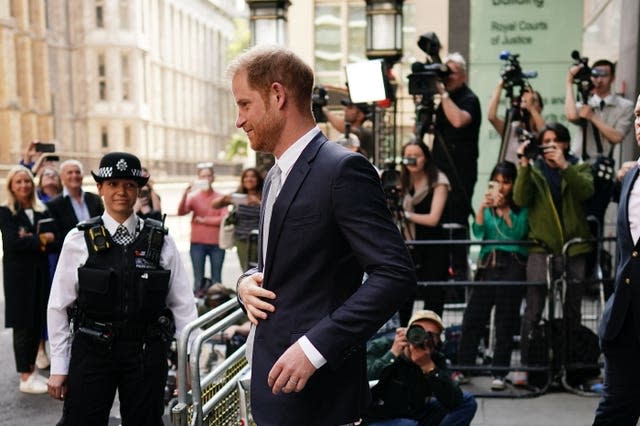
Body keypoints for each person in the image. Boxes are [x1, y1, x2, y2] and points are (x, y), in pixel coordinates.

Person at [230, 45, 416, 426]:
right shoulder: (273, 179)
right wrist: (245, 282)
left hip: (319, 396)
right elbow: (279, 264)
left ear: (277, 95)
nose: (239, 120)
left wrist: (316, 349)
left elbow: (395, 274)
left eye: (245, 104)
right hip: (274, 389)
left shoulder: (343, 169)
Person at [46, 152, 198, 425]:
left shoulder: (160, 241)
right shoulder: (78, 239)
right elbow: (59, 306)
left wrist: (188, 359)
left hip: (145, 352)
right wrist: (59, 366)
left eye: (129, 185)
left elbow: (183, 305)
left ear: (139, 190)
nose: (121, 192)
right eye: (113, 184)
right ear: (100, 188)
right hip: (91, 351)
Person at [513, 122, 594, 386]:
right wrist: (523, 165)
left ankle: (572, 366)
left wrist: (565, 167)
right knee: (533, 309)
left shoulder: (578, 166)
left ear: (565, 144)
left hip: (574, 247)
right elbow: (520, 199)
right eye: (544, 141)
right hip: (541, 248)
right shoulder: (534, 170)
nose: (549, 146)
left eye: (554, 141)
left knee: (573, 309)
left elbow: (587, 192)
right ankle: (527, 366)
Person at [457, 161, 528, 390]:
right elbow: (478, 232)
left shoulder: (521, 207)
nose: (501, 186)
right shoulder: (488, 206)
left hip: (512, 264)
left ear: (513, 184)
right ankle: (464, 367)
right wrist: (482, 207)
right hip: (488, 264)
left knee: (505, 321)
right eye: (497, 181)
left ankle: (499, 372)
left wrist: (505, 210)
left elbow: (517, 233)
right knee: (473, 316)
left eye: (506, 182)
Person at [592, 94, 640, 425]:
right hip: (625, 327)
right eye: (637, 115)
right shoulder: (630, 177)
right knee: (613, 414)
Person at [0, 166, 58, 394]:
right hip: (19, 278)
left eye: (27, 181)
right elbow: (13, 243)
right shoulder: (5, 212)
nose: (23, 185)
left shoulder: (41, 209)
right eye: (18, 182)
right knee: (22, 325)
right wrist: (41, 239)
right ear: (11, 187)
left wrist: (32, 239)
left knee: (36, 322)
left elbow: (54, 242)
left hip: (39, 273)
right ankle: (25, 376)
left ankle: (32, 370)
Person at [364, 310, 477, 425]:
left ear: (438, 340)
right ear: (408, 332)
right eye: (419, 332)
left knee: (467, 401)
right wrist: (392, 354)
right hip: (379, 418)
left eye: (432, 335)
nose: (424, 339)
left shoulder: (434, 357)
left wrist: (428, 367)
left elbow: (454, 400)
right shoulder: (384, 346)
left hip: (415, 414)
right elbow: (364, 381)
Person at [564, 59, 634, 231]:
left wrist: (593, 117)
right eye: (595, 74)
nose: (598, 79)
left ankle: (595, 256)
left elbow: (616, 136)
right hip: (578, 165)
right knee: (573, 216)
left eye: (604, 74)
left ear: (612, 77)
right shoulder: (586, 101)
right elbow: (572, 115)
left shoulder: (625, 106)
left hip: (601, 169)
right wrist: (569, 81)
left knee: (594, 221)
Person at [432, 52, 482, 282]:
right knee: (440, 224)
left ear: (462, 75)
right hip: (438, 172)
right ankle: (441, 273)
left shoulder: (469, 98)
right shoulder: (444, 100)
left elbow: (459, 121)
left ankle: (460, 277)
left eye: (450, 72)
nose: (446, 77)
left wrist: (443, 94)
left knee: (456, 222)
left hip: (460, 174)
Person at [399, 139, 450, 323]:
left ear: (426, 158)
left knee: (433, 296)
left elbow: (433, 218)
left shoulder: (439, 181)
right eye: (408, 156)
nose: (412, 160)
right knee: (403, 296)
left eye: (417, 156)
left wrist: (406, 215)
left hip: (433, 246)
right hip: (408, 247)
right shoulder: (400, 181)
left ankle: (431, 341)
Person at [177, 163, 227, 290]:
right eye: (203, 176)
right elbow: (181, 212)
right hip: (197, 244)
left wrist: (204, 220)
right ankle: (199, 308)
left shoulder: (221, 197)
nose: (206, 178)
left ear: (213, 178)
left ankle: (217, 306)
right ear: (198, 178)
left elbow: (224, 219)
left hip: (217, 244)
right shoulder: (193, 197)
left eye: (208, 175)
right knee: (198, 281)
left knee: (217, 280)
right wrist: (185, 194)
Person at [211, 167, 263, 271]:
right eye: (246, 177)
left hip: (261, 240)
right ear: (243, 180)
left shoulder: (265, 194)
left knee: (262, 271)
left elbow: (273, 212)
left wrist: (258, 203)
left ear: (258, 179)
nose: (249, 179)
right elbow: (214, 205)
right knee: (247, 271)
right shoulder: (239, 195)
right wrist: (224, 198)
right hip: (242, 240)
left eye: (253, 176)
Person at [487, 80, 545, 163]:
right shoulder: (513, 128)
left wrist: (531, 108)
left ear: (540, 107)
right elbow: (491, 117)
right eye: (524, 99)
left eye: (533, 100)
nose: (528, 101)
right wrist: (499, 87)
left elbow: (543, 131)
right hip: (513, 173)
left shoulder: (543, 128)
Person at [46, 159, 104, 240]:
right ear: (61, 176)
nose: (74, 175)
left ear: (82, 175)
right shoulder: (53, 204)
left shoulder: (95, 199)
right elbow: (57, 235)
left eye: (77, 172)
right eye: (70, 172)